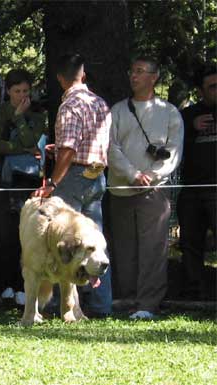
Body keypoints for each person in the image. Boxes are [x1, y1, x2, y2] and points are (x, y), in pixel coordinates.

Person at [32, 53, 112, 317]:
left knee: (65, 242)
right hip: (97, 176)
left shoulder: (69, 106)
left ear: (59, 78)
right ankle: (101, 305)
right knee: (96, 243)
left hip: (73, 178)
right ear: (84, 75)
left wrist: (52, 182)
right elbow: (90, 144)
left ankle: (64, 306)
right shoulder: (100, 103)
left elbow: (68, 150)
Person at [108, 57, 183, 319]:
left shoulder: (170, 112)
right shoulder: (117, 110)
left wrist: (151, 175)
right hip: (120, 189)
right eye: (132, 71)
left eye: (140, 71)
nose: (134, 76)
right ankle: (127, 301)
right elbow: (110, 147)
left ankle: (147, 305)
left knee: (153, 249)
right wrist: (132, 174)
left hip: (154, 191)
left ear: (154, 77)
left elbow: (174, 151)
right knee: (124, 249)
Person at [0, 68, 48, 303]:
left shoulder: (38, 115)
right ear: (7, 91)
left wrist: (20, 117)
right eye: (16, 91)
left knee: (28, 234)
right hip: (4, 179)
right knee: (5, 235)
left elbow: (33, 140)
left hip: (29, 181)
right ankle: (5, 283)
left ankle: (25, 286)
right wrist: (24, 149)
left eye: (25, 91)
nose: (21, 95)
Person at [178, 65, 217, 301]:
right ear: (202, 91)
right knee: (190, 243)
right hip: (192, 190)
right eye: (212, 87)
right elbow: (172, 144)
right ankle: (194, 292)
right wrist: (191, 129)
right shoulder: (187, 116)